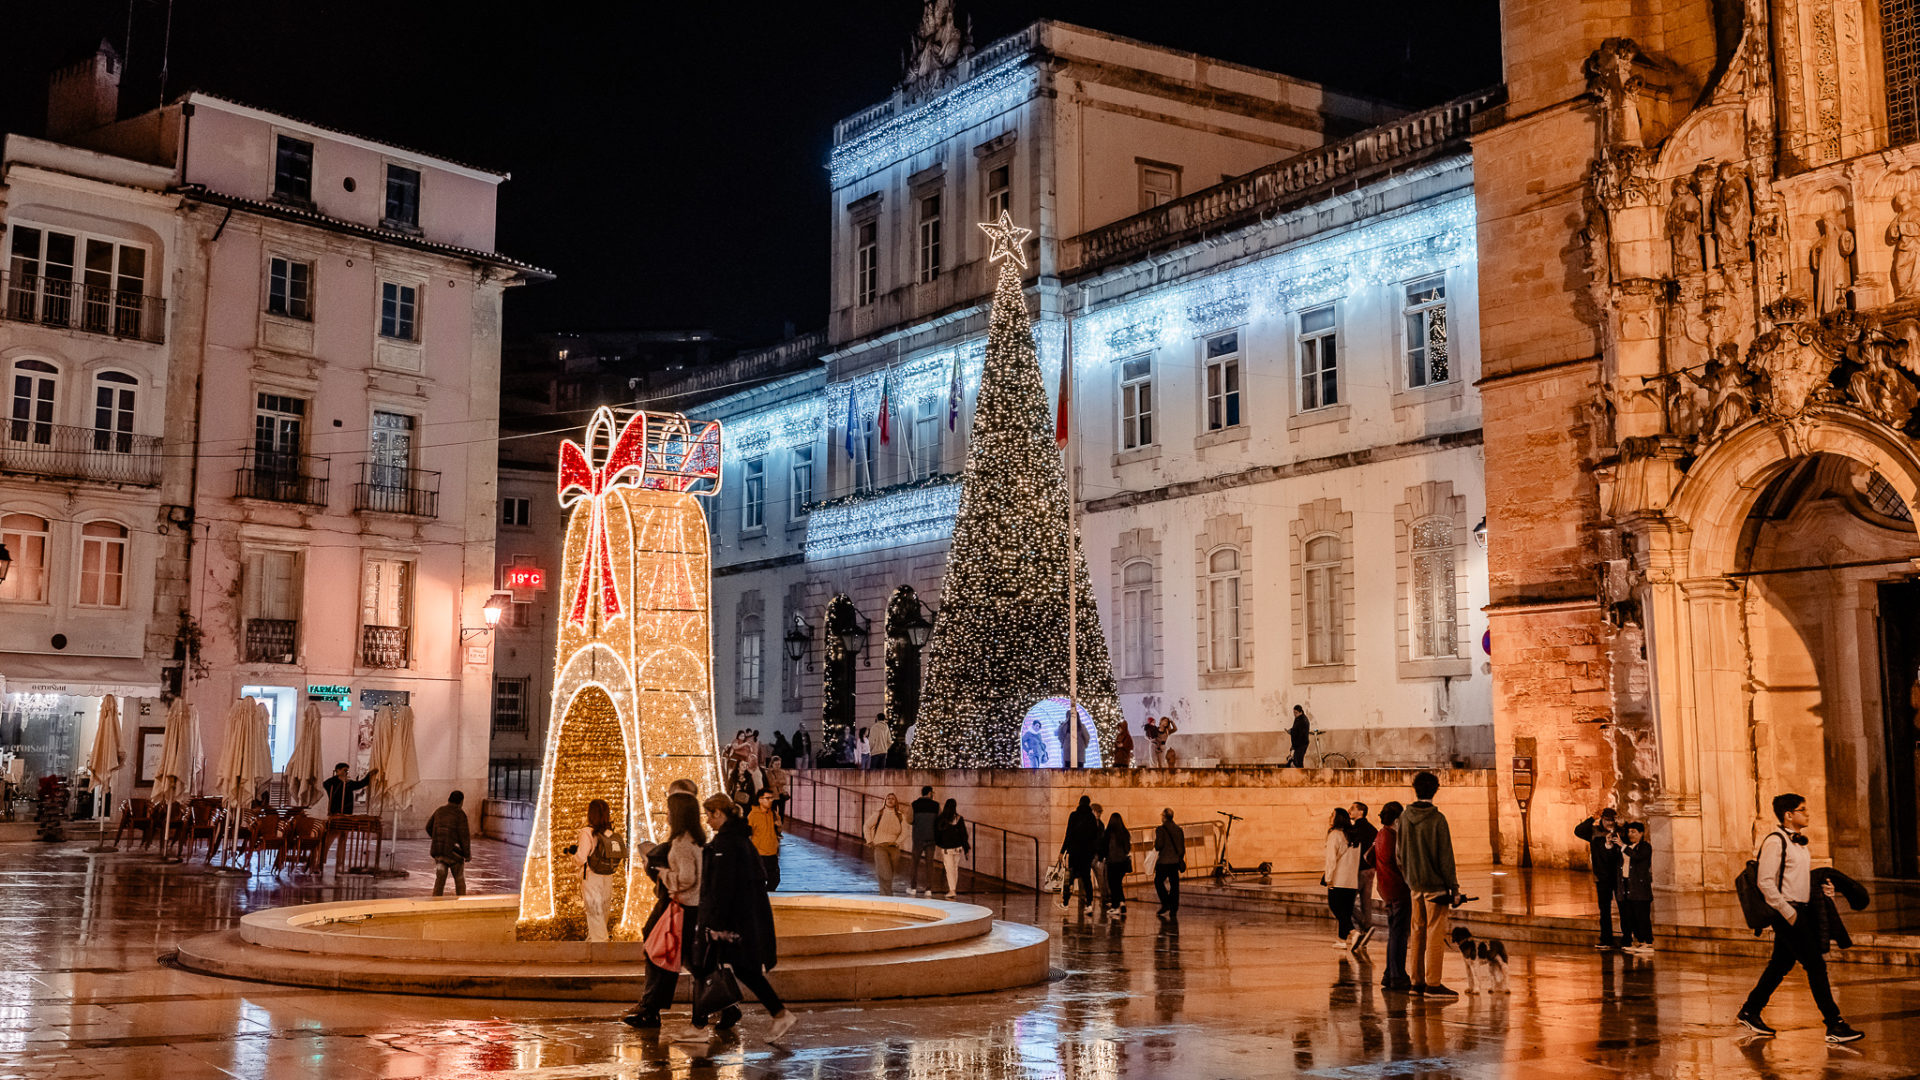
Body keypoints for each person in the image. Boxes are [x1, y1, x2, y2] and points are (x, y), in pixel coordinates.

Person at [1738, 793, 1863, 1043]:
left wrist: (1825, 890)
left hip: (1801, 910)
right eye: (1802, 810)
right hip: (1789, 913)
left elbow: (1799, 877)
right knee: (1815, 965)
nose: (1807, 814)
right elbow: (1765, 882)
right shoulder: (1775, 842)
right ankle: (1834, 1024)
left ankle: (1750, 1011)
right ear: (1789, 814)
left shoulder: (1799, 842)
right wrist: (1789, 913)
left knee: (1780, 964)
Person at [679, 794, 799, 1044]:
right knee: (740, 971)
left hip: (730, 924)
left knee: (704, 968)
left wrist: (717, 926)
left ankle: (700, 1026)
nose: (708, 821)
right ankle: (776, 1013)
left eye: (710, 815)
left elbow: (722, 888)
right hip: (741, 922)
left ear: (719, 814)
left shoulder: (726, 844)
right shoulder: (739, 840)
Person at [622, 781, 703, 1030]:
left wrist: (661, 873)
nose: (666, 815)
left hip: (679, 906)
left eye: (669, 810)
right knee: (686, 957)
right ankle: (723, 1004)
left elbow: (686, 878)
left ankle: (649, 1008)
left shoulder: (681, 843)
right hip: (688, 907)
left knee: (657, 950)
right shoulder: (695, 840)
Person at [1395, 770, 1459, 996]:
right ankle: (1433, 983)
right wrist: (1454, 888)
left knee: (1418, 932)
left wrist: (1410, 878)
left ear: (1415, 790)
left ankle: (1416, 982)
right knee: (1434, 933)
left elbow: (1399, 855)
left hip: (1415, 885)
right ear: (1436, 790)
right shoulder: (1437, 819)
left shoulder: (1403, 818)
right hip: (1435, 886)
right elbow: (1446, 857)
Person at [572, 798, 624, 943]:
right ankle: (593, 939)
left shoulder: (587, 832)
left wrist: (573, 858)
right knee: (603, 909)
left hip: (591, 875)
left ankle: (600, 943)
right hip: (607, 874)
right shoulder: (609, 833)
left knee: (594, 911)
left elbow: (581, 857)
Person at [1574, 808, 1624, 949]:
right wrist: (1591, 818)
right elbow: (1578, 831)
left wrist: (1620, 827)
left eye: (1612, 820)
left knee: (1624, 908)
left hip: (1619, 876)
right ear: (1602, 819)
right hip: (1602, 876)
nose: (1610, 823)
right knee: (1604, 910)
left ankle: (1627, 938)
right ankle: (1606, 939)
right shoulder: (1594, 831)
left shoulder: (1619, 832)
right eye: (1607, 820)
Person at [1374, 801, 1411, 991]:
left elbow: (1368, 857)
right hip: (1399, 890)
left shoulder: (1380, 835)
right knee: (1400, 934)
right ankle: (1398, 975)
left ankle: (1389, 972)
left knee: (1393, 933)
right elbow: (1402, 863)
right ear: (1397, 819)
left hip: (1385, 890)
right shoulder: (1394, 837)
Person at [1324, 807, 1360, 950]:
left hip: (1338, 879)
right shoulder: (1354, 836)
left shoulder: (1335, 835)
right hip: (1351, 880)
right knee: (1346, 910)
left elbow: (1331, 859)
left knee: (1335, 906)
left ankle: (1353, 932)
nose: (1329, 816)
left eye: (1332, 815)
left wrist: (1329, 877)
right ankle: (1342, 940)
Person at [1057, 795, 1102, 910]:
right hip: (1086, 854)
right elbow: (1094, 837)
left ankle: (1065, 903)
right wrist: (1092, 852)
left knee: (1070, 878)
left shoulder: (1074, 816)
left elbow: (1068, 835)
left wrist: (1062, 851)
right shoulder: (1092, 818)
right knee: (1087, 879)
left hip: (1074, 853)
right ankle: (1090, 904)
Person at [425, 790, 471, 897]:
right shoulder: (460, 814)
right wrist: (467, 854)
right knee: (459, 879)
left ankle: (435, 903)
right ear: (461, 802)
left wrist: (437, 838)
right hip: (453, 853)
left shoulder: (439, 811)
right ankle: (461, 902)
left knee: (440, 879)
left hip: (440, 853)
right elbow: (464, 837)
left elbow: (428, 827)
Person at [1618, 821, 1654, 954]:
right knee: (1631, 916)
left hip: (1640, 888)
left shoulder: (1645, 847)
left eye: (1633, 832)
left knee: (1642, 916)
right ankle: (1639, 941)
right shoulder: (1627, 846)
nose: (1630, 834)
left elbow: (1637, 857)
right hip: (1628, 886)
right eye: (1629, 832)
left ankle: (1648, 942)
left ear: (1641, 833)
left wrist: (1623, 846)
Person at [863, 792, 907, 895]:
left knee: (889, 874)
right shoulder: (879, 813)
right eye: (888, 798)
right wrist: (869, 840)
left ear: (895, 802)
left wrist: (897, 842)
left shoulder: (900, 816)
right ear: (885, 801)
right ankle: (887, 895)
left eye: (893, 799)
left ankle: (885, 894)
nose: (890, 800)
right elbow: (867, 826)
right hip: (880, 847)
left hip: (894, 848)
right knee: (884, 872)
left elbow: (905, 832)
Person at [1348, 801, 1378, 946]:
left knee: (1346, 902)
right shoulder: (1372, 829)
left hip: (1359, 869)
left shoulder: (1356, 829)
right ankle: (1366, 928)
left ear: (1361, 812)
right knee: (1366, 901)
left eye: (1353, 809)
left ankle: (1365, 925)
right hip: (1371, 869)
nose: (1349, 811)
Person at [907, 786, 941, 896]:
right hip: (931, 838)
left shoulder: (914, 804)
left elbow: (909, 819)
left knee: (914, 863)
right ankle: (928, 890)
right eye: (933, 793)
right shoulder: (936, 805)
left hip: (918, 839)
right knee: (929, 864)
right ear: (930, 793)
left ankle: (913, 888)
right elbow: (940, 820)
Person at [934, 798, 970, 898]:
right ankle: (953, 889)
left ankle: (952, 890)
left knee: (949, 869)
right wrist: (966, 848)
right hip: (958, 848)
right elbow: (964, 835)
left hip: (947, 849)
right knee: (955, 869)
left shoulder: (941, 819)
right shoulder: (959, 819)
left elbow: (937, 834)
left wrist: (939, 844)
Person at [747, 788, 783, 891]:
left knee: (775, 879)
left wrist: (779, 826)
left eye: (772, 798)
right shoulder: (753, 815)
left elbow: (778, 832)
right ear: (760, 800)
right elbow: (748, 835)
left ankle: (766, 897)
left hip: (772, 854)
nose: (770, 800)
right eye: (767, 798)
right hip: (759, 854)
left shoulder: (774, 814)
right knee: (759, 881)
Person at [1153, 808, 1185, 919]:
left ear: (1164, 817)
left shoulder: (1160, 829)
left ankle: (1166, 903)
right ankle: (1173, 908)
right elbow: (1182, 848)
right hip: (1175, 861)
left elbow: (1159, 845)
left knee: (1158, 882)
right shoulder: (1178, 829)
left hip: (1164, 861)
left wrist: (1156, 843)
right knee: (1174, 885)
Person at [1103, 811, 1133, 918]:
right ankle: (1122, 902)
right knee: (1118, 883)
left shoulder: (1108, 833)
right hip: (1122, 862)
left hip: (1112, 862)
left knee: (1113, 884)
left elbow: (1105, 848)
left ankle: (1115, 907)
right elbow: (1127, 848)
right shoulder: (1125, 833)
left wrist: (1103, 856)